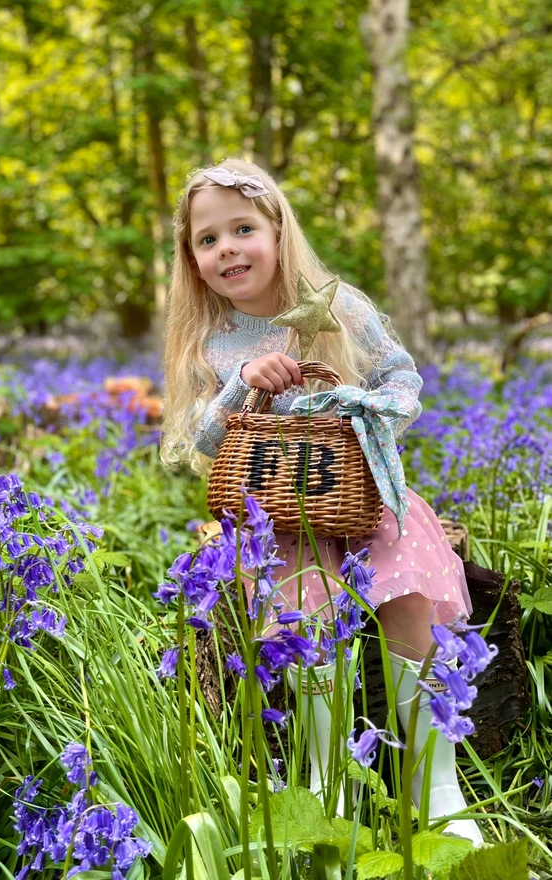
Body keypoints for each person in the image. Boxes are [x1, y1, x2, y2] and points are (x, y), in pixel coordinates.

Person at [160, 158, 482, 845]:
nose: (227, 249)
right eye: (208, 240)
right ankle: (321, 780)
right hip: (277, 521)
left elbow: (404, 382)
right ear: (191, 258)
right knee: (306, 627)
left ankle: (439, 787)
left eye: (242, 228)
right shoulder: (213, 344)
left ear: (277, 230)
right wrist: (241, 384)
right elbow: (204, 440)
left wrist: (362, 412)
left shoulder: (340, 307)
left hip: (363, 499)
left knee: (407, 598)